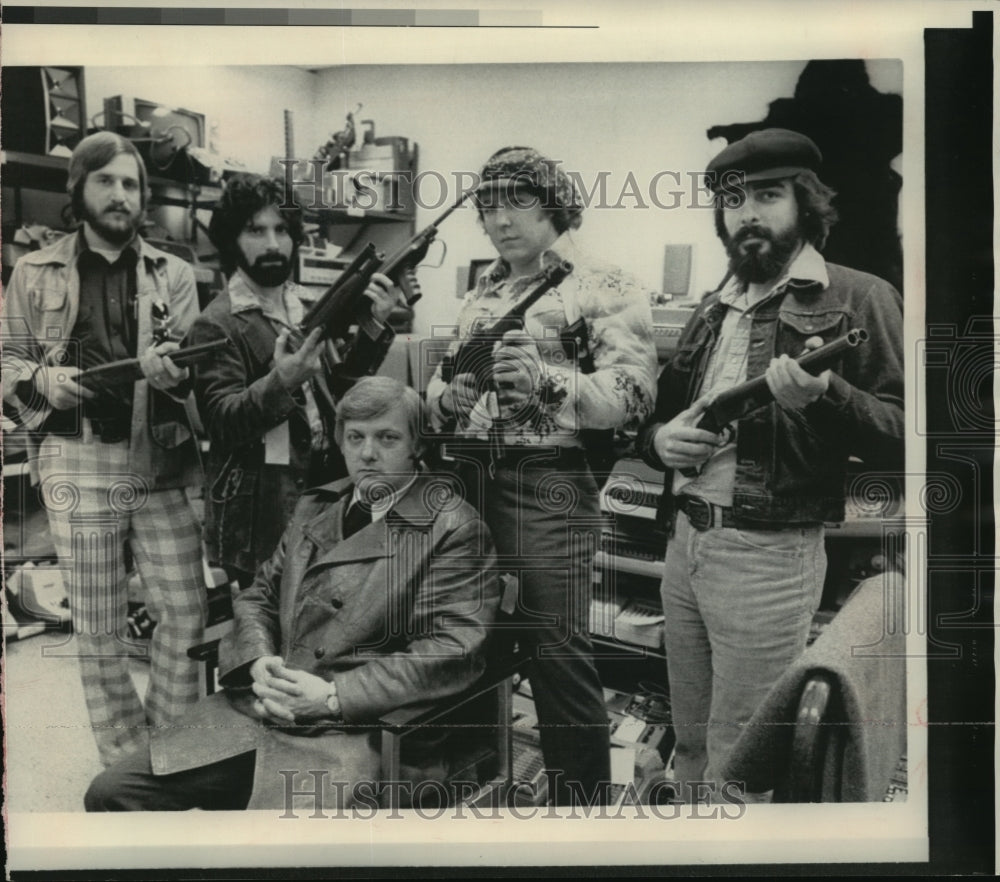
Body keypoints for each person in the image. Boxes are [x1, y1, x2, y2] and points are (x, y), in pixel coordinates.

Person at [636, 128, 904, 801]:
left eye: (767, 195)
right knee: (690, 739)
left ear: (805, 205)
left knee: (740, 760)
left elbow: (905, 437)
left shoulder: (861, 297)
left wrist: (828, 396)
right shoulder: (711, 308)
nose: (747, 212)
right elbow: (656, 425)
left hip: (767, 557)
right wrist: (660, 442)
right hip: (685, 545)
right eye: (733, 200)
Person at [84, 376, 499, 811]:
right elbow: (260, 595)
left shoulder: (453, 528)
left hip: (361, 732)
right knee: (110, 794)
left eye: (387, 438)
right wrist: (258, 661)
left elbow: (452, 650)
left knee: (275, 856)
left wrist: (333, 697)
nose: (368, 453)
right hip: (263, 708)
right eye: (355, 437)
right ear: (340, 441)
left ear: (417, 444)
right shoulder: (316, 506)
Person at [424, 146, 658, 805]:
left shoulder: (603, 284)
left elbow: (635, 396)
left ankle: (579, 815)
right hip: (469, 478)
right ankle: (475, 788)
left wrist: (548, 382)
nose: (501, 219)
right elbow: (448, 378)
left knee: (555, 653)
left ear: (552, 201)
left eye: (516, 200)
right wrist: (448, 397)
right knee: (468, 639)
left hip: (546, 483)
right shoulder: (482, 293)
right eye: (489, 205)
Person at [0, 132, 207, 766]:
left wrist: (178, 375)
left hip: (159, 456)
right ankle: (126, 760)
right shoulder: (33, 271)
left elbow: (192, 366)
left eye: (131, 184)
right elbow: (8, 361)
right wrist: (40, 381)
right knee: (97, 624)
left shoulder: (173, 272)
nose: (121, 195)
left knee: (186, 610)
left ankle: (170, 749)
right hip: (76, 456)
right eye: (106, 181)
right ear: (79, 190)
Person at [186, 173, 399, 586]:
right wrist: (281, 381)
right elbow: (222, 421)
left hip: (323, 488)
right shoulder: (216, 322)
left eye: (281, 230)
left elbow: (340, 393)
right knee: (268, 631)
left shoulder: (303, 305)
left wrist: (374, 325)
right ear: (232, 239)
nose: (271, 244)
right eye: (255, 230)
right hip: (262, 509)